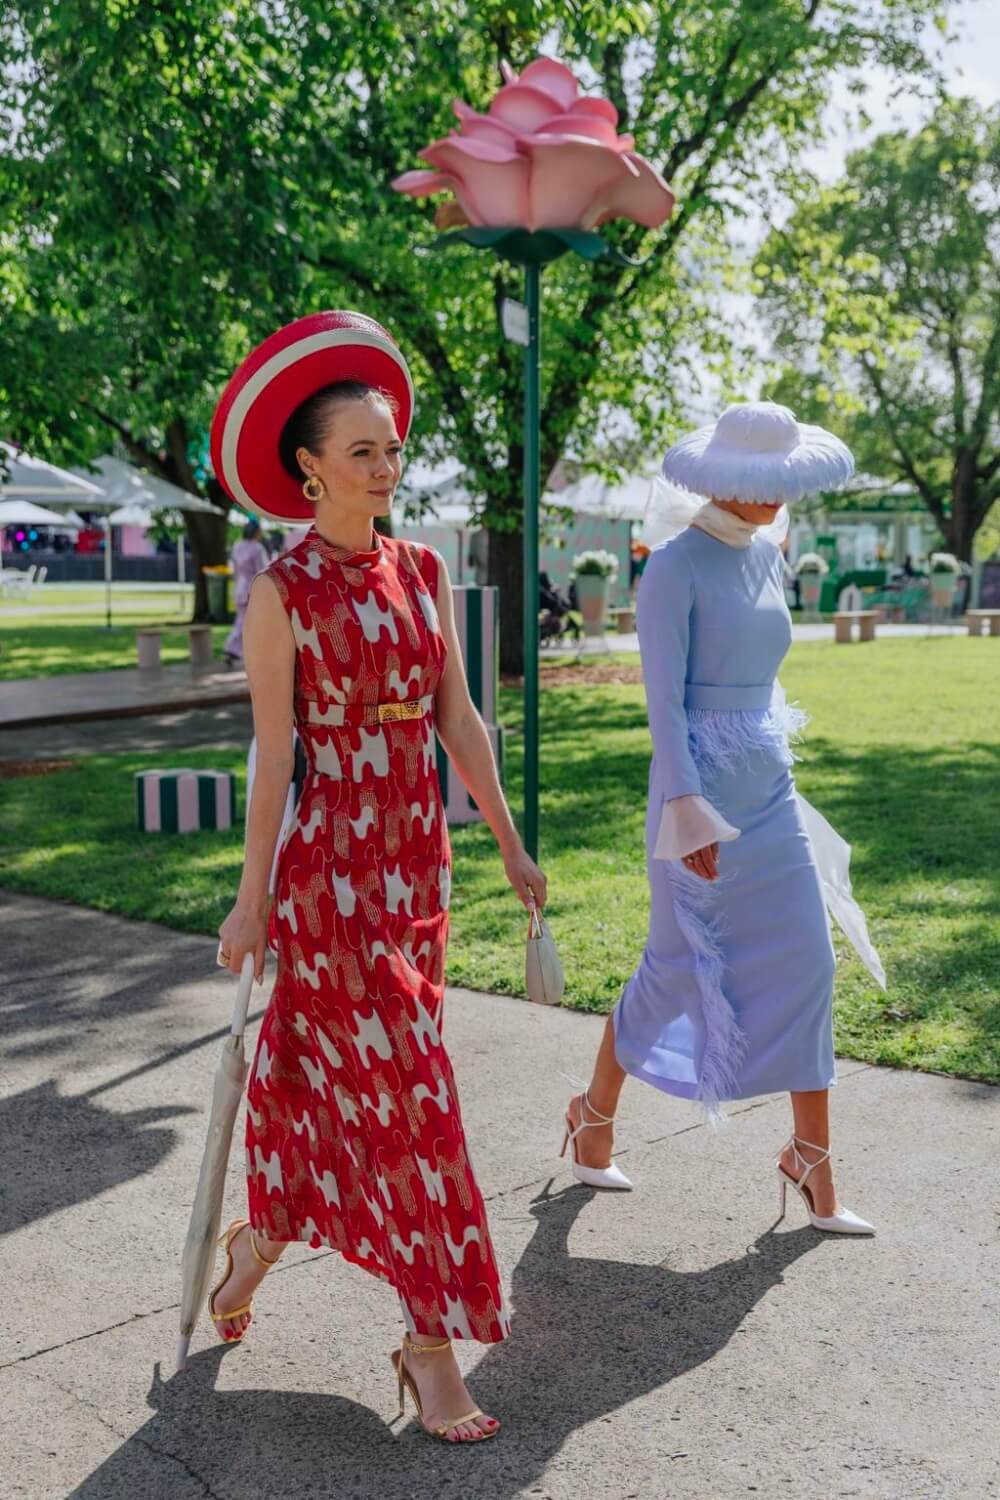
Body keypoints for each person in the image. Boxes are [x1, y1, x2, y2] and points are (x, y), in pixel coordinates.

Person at [209, 310, 547, 1444]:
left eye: (394, 447)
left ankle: (252, 1251)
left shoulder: (422, 567)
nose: (387, 466)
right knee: (413, 1104)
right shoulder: (282, 594)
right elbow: (275, 758)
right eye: (364, 450)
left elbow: (459, 715)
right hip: (330, 882)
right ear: (308, 469)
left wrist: (504, 839)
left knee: (325, 1093)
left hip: (415, 866)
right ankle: (430, 1346)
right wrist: (252, 896)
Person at [562, 402, 884, 1234]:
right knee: (672, 969)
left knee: (811, 962)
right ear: (723, 478)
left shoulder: (768, 556)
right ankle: (591, 1117)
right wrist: (686, 811)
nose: (775, 500)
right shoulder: (673, 566)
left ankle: (812, 1162)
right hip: (694, 795)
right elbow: (662, 704)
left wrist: (768, 768)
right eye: (759, 483)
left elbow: (762, 678)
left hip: (768, 792)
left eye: (782, 485)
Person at [223, 519, 270, 666]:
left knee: (243, 619)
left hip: (240, 587)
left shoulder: (237, 546)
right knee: (248, 621)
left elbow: (235, 569)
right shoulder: (257, 549)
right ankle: (233, 648)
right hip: (253, 587)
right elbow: (263, 570)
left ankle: (237, 649)